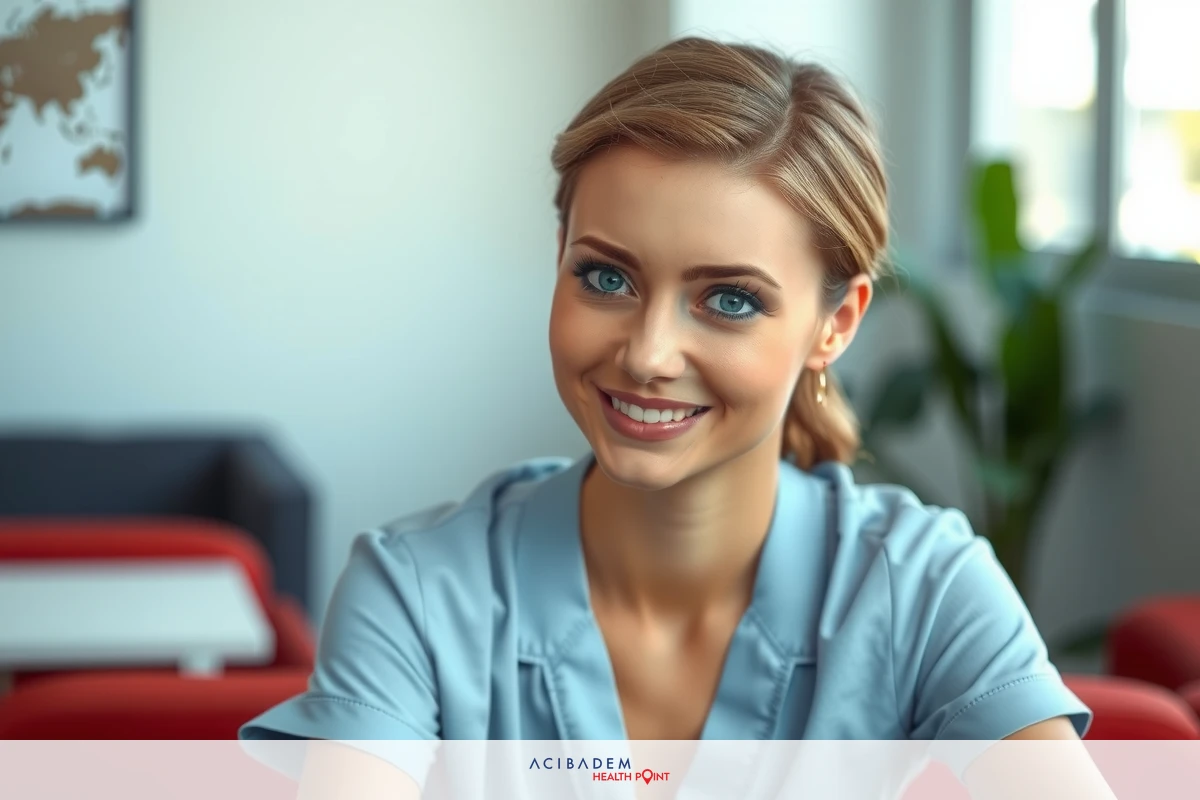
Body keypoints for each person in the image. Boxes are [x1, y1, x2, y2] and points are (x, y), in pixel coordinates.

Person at [240, 36, 1096, 797]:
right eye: (606, 278)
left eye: (728, 299)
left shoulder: (922, 585)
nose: (649, 353)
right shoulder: (417, 595)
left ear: (834, 325)